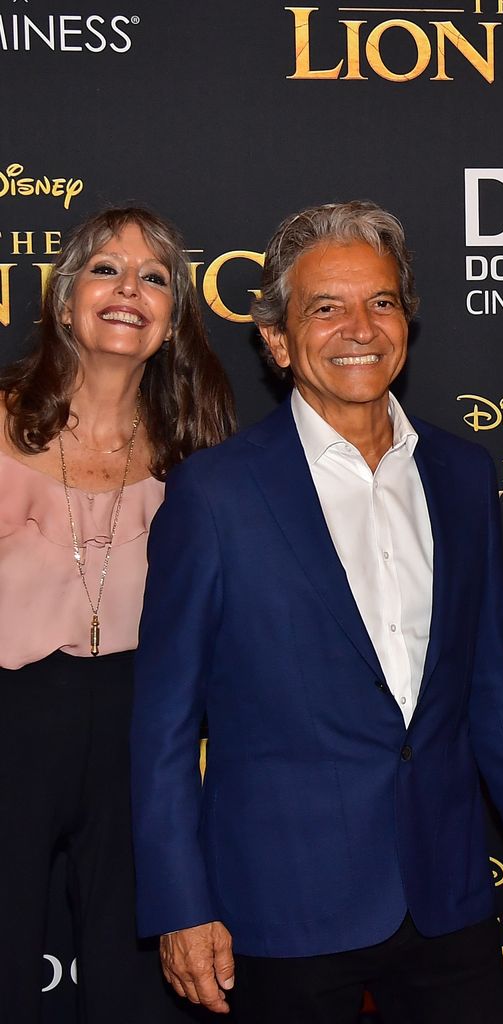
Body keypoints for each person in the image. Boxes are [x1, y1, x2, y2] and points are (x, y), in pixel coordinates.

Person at [130, 200, 503, 1022]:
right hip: (282, 906)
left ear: (406, 320)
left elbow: (493, 687)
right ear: (276, 339)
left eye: (380, 302)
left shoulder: (464, 473)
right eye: (325, 308)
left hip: (447, 894)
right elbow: (162, 725)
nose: (359, 328)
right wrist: (179, 904)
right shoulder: (217, 493)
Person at [0, 206, 236, 1023]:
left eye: (155, 276)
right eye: (105, 268)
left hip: (145, 736)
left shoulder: (198, 453)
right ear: (64, 302)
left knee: (136, 990)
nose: (129, 288)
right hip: (13, 725)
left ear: (171, 320)